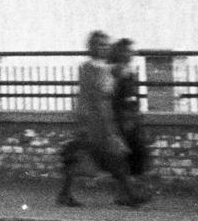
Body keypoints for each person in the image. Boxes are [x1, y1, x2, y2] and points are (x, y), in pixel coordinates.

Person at [56, 30, 147, 208]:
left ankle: (65, 194)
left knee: (84, 157)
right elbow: (97, 97)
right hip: (95, 121)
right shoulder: (91, 68)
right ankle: (129, 195)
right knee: (111, 158)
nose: (104, 49)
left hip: (99, 120)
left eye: (106, 45)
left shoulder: (102, 68)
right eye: (100, 45)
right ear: (91, 48)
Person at [109, 37, 152, 192]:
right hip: (122, 115)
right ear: (120, 52)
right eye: (128, 51)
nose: (131, 54)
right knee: (128, 151)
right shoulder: (117, 70)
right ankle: (126, 190)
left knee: (137, 151)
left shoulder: (128, 69)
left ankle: (131, 188)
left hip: (130, 114)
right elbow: (115, 95)